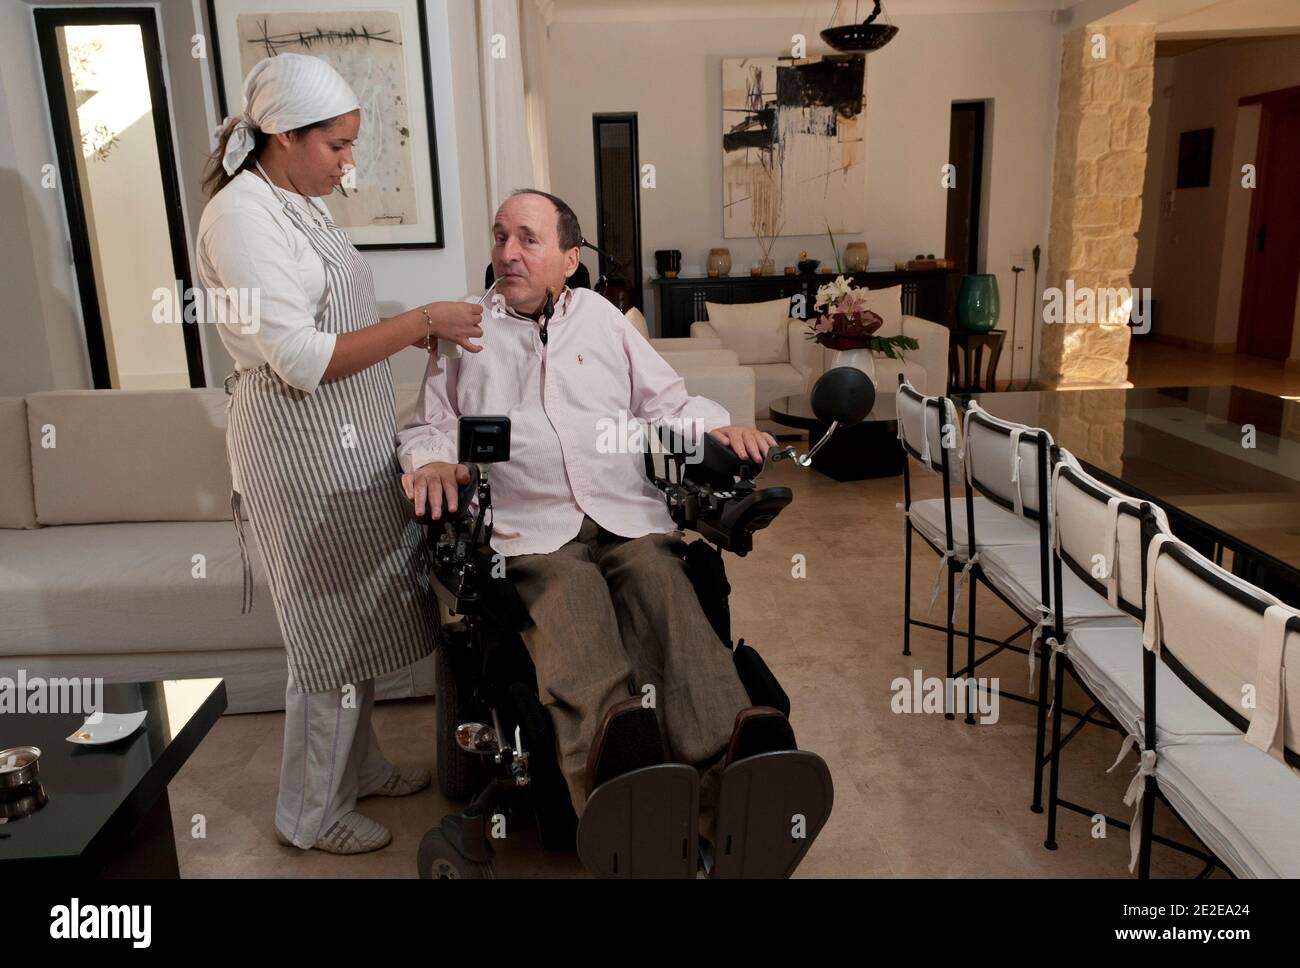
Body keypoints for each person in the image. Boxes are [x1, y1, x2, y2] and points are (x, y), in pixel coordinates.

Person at [396, 188, 780, 823]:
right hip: (531, 530)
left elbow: (667, 402)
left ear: (569, 258)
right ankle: (620, 798)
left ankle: (730, 776)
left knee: (666, 589)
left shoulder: (602, 319)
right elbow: (431, 426)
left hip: (624, 512)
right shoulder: (463, 327)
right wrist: (433, 462)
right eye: (499, 237)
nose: (507, 253)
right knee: (576, 615)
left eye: (527, 238)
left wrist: (720, 429)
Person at [195, 53, 482, 854]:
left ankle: (355, 771)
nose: (349, 163)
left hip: (346, 443)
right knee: (325, 634)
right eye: (338, 147)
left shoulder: (296, 201)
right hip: (295, 449)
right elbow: (300, 357)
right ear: (283, 136)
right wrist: (423, 319)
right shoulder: (242, 216)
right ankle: (307, 815)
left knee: (359, 617)